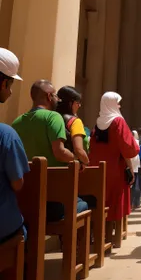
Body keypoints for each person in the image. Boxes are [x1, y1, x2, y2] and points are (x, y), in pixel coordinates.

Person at [13, 80, 89, 221]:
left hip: (26, 199)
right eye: (55, 96)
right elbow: (59, 152)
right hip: (53, 200)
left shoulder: (16, 122)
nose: (57, 100)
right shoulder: (53, 117)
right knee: (84, 205)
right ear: (49, 96)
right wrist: (76, 159)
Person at [89, 92, 139, 232]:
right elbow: (129, 147)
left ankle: (99, 233)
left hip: (98, 168)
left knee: (101, 200)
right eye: (117, 102)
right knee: (115, 203)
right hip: (115, 168)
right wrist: (130, 166)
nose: (119, 105)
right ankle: (112, 236)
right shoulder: (118, 121)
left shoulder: (98, 122)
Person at [0, 48, 29, 244]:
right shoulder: (6, 134)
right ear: (3, 84)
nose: (10, 92)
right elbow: (17, 184)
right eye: (10, 86)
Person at [56, 86, 89, 165]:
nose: (79, 106)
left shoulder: (52, 118)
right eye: (78, 102)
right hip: (69, 169)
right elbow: (78, 150)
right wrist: (87, 162)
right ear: (70, 103)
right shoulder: (75, 121)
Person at [130, 130, 141, 210]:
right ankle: (135, 203)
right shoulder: (137, 142)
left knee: (133, 186)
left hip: (132, 165)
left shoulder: (132, 141)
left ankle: (132, 203)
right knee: (135, 186)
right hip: (135, 165)